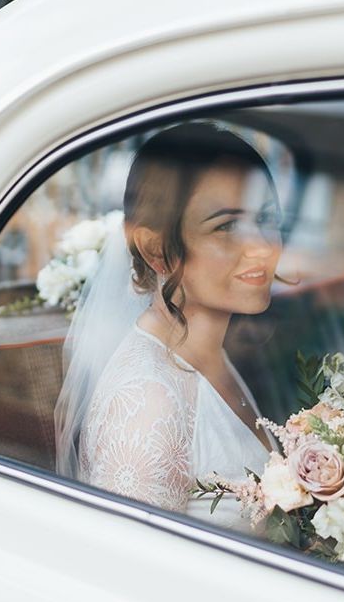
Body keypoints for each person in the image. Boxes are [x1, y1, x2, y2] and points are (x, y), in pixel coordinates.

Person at [54, 122, 282, 534]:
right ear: (155, 248)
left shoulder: (213, 353)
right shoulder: (148, 401)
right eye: (226, 226)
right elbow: (130, 574)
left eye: (266, 218)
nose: (263, 247)